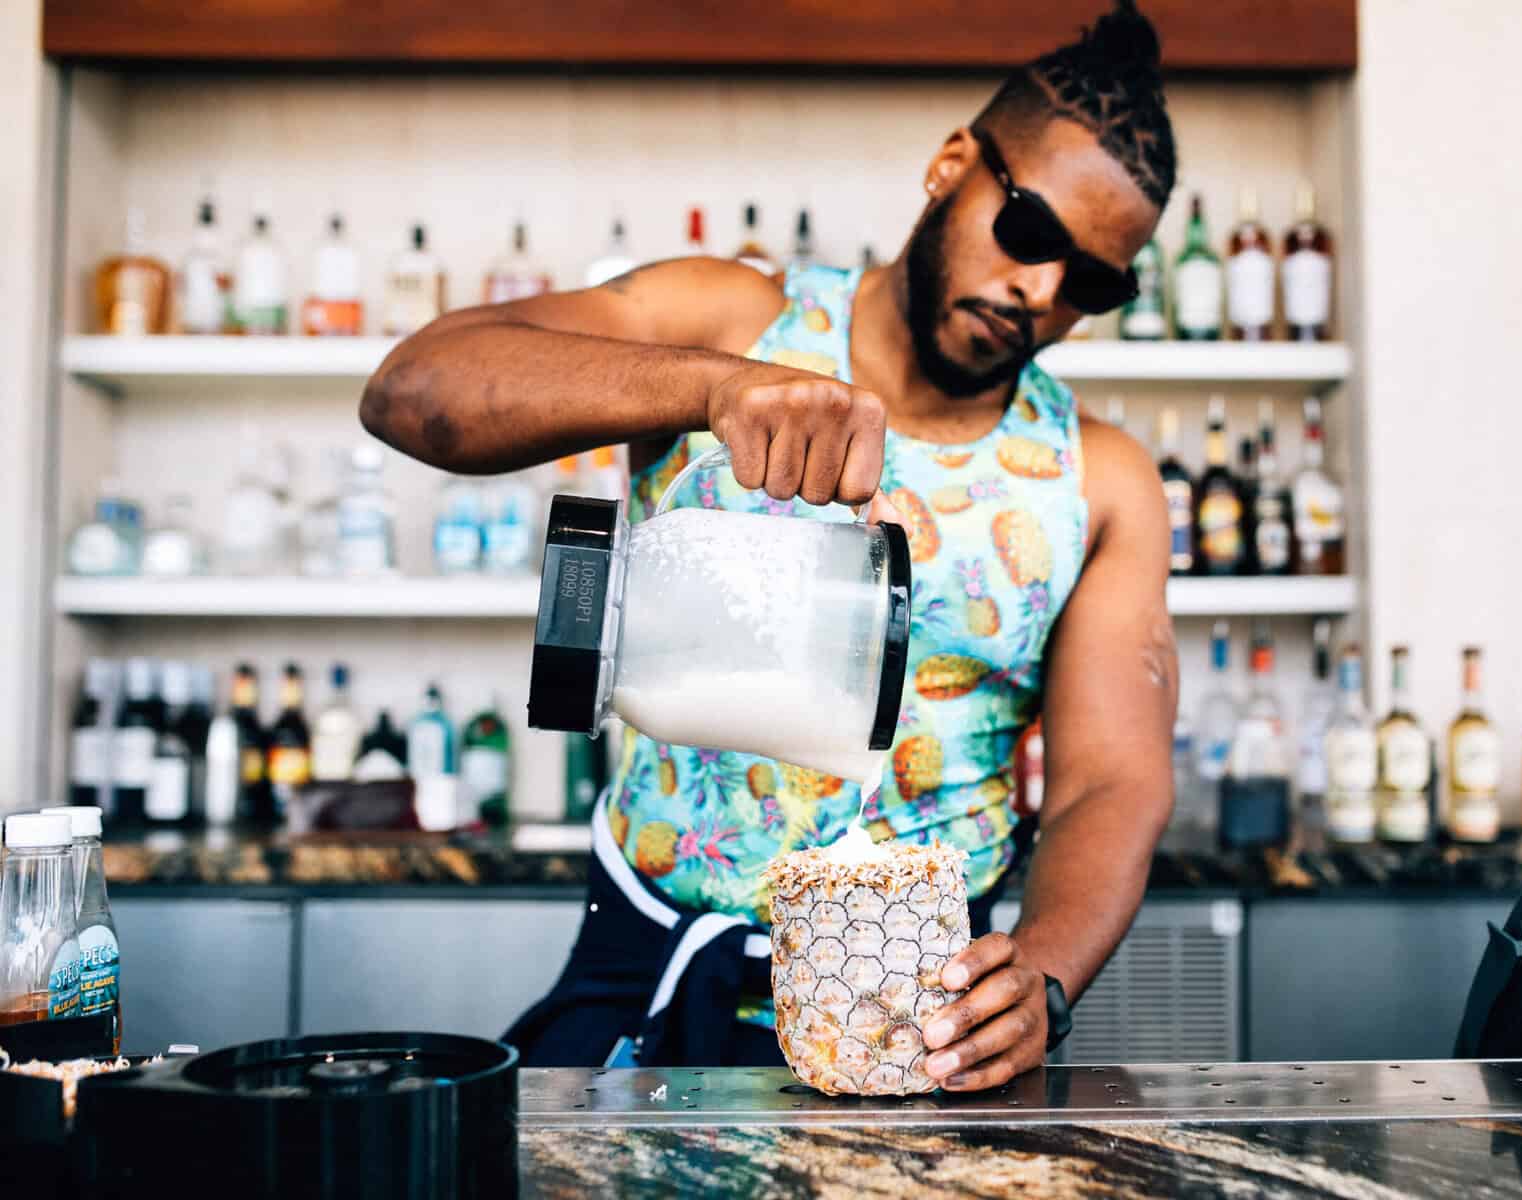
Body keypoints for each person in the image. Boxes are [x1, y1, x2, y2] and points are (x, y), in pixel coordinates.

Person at [362, 0, 1177, 1092]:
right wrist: (711, 387)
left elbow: (1110, 783)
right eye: (1029, 232)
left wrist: (1043, 975)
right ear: (951, 166)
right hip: (651, 962)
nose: (1040, 291)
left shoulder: (1099, 474)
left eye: (1092, 283)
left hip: (921, 1009)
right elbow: (414, 392)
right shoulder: (734, 320)